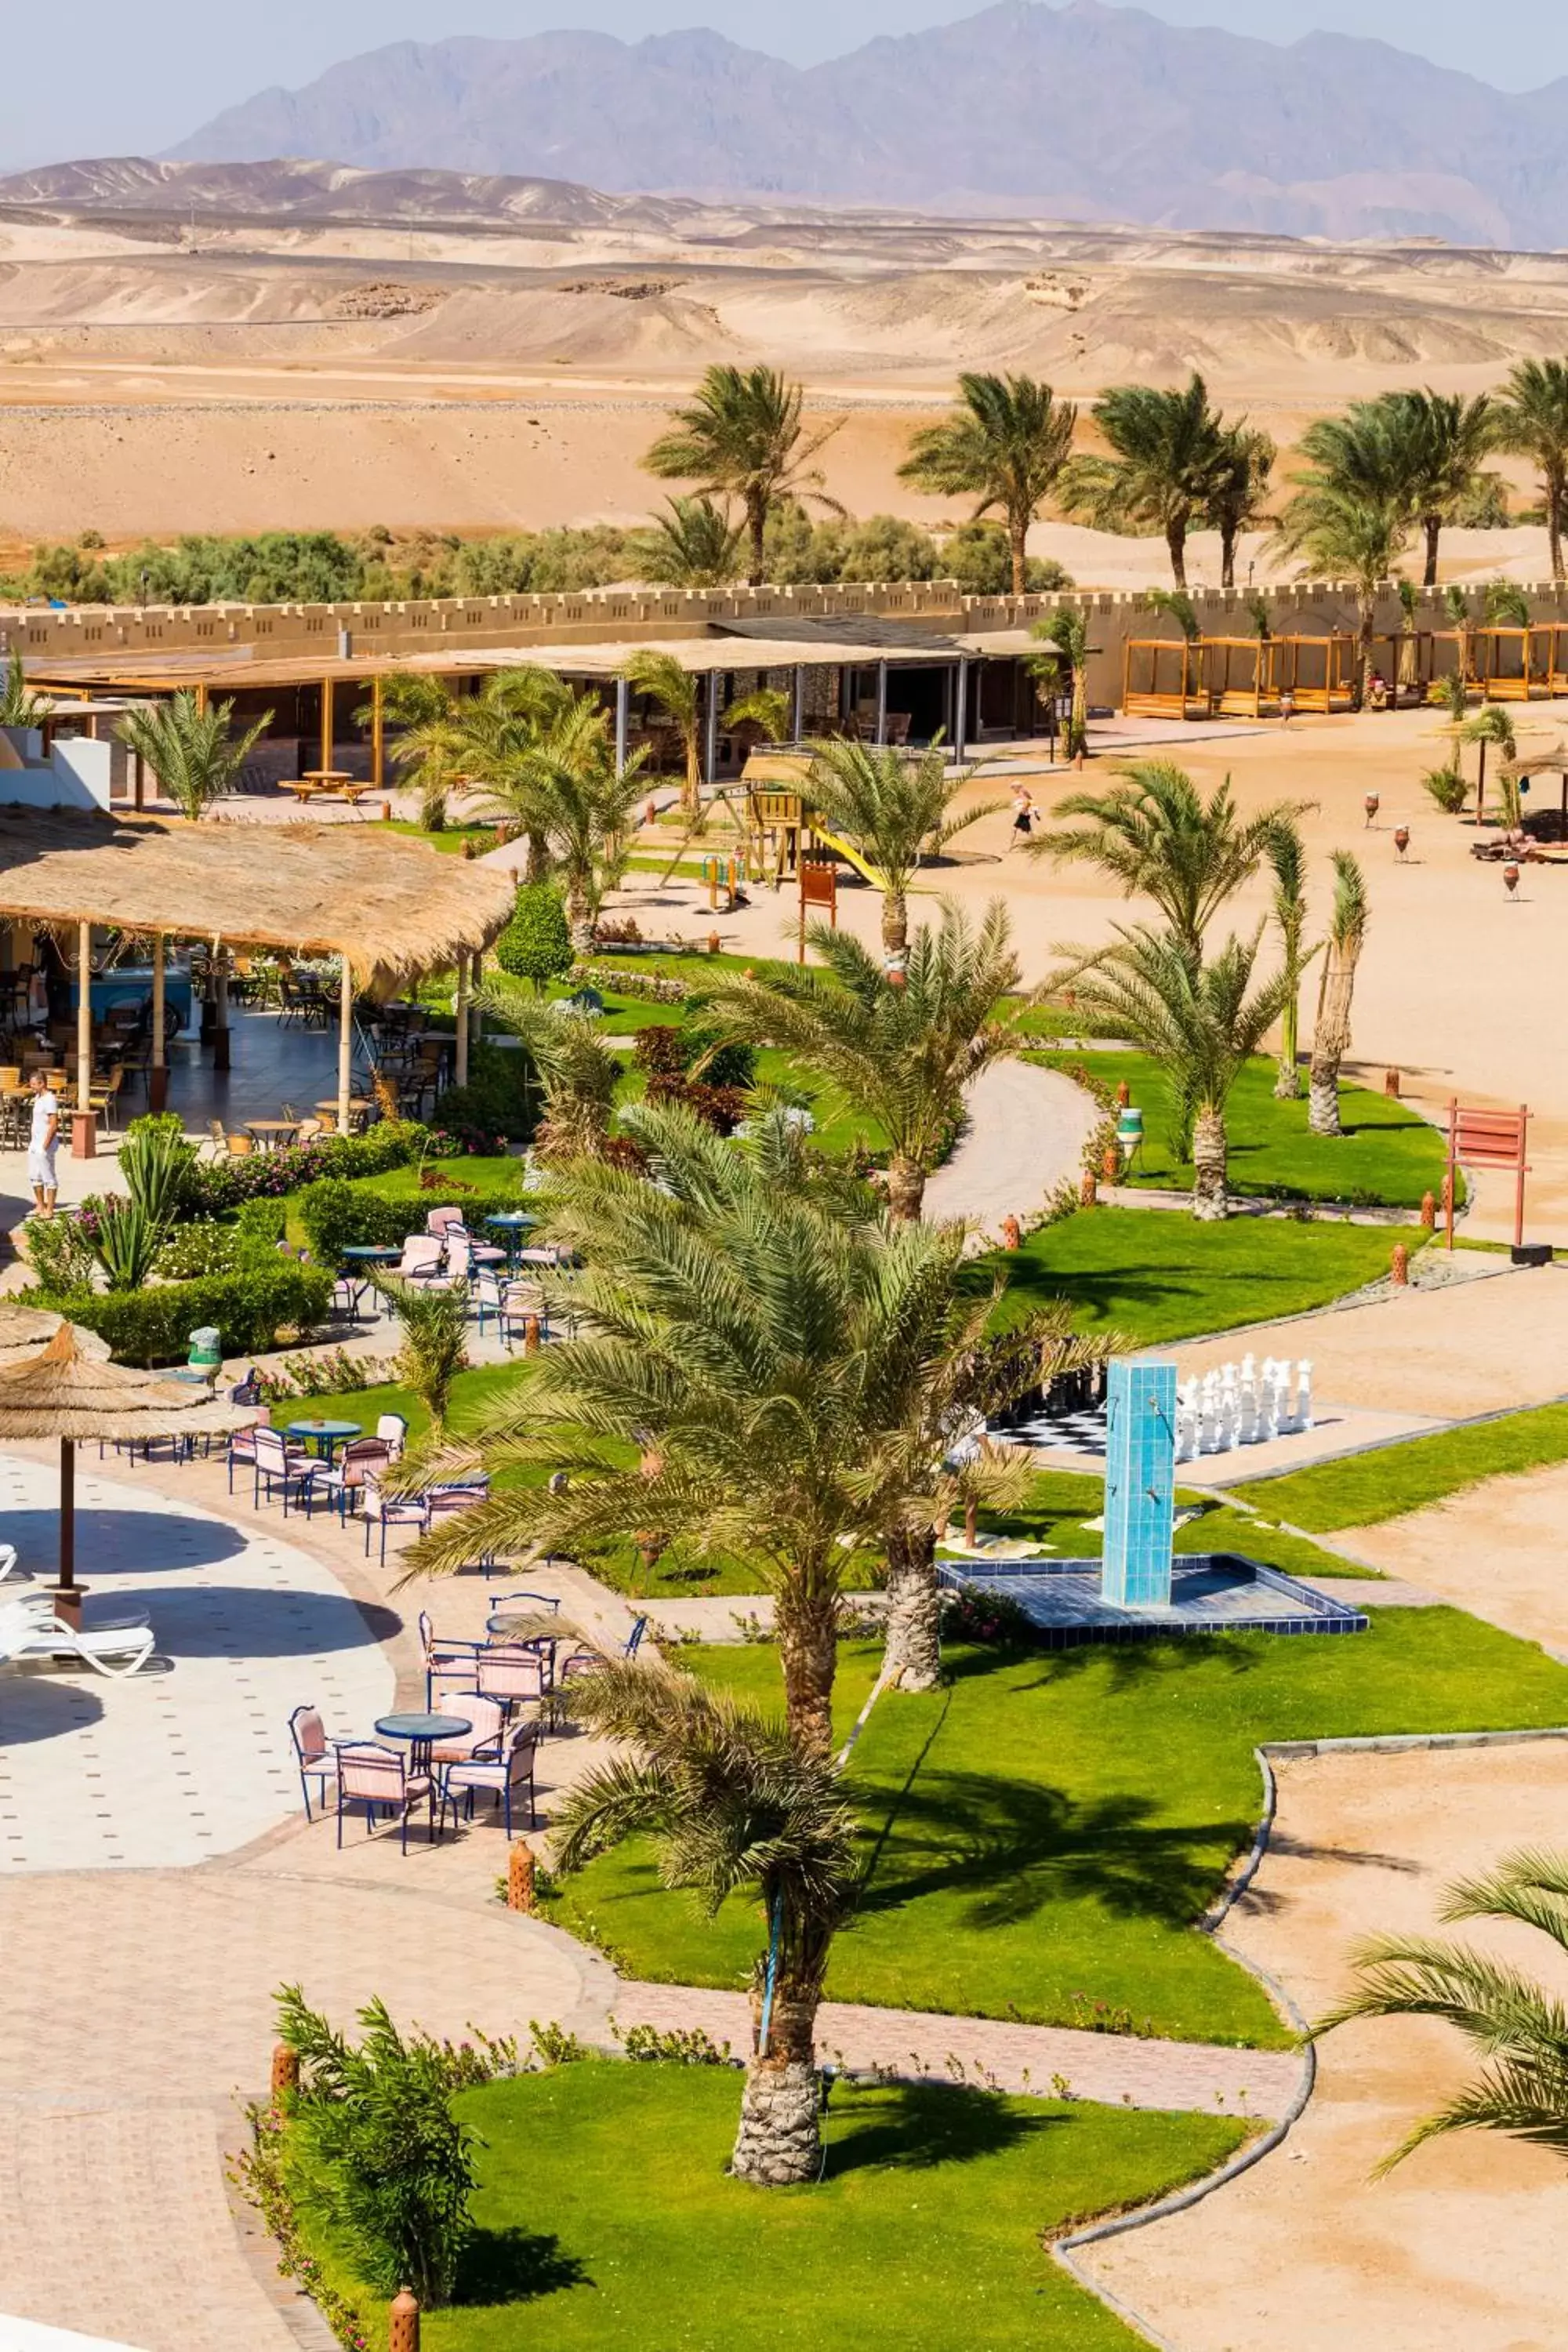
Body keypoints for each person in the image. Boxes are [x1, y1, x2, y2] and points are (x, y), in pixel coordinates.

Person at [27, 1069, 60, 1218]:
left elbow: (53, 1124)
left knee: (48, 1177)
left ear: (42, 1083)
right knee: (34, 1176)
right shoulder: (38, 1098)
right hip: (35, 1143)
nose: (32, 1087)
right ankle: (40, 1205)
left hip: (44, 1145)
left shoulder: (50, 1099)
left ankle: (50, 1210)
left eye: (34, 1084)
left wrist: (45, 1146)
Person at [1008, 784, 1036, 850]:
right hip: (1024, 814)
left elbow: (1029, 801)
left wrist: (1024, 809)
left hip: (1024, 814)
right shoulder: (1023, 792)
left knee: (1026, 830)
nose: (1013, 790)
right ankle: (1011, 846)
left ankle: (1011, 846)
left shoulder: (1022, 792)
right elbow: (1030, 800)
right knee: (1018, 829)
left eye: (1014, 788)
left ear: (1017, 787)